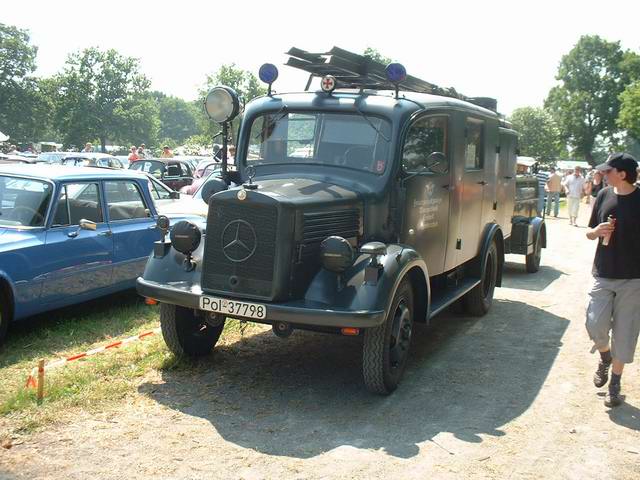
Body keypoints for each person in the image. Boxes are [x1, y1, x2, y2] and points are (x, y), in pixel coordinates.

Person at [585, 152, 640, 408]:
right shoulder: (604, 196)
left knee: (625, 333)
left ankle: (615, 383)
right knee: (595, 324)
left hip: (634, 278)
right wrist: (595, 232)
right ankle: (605, 357)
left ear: (622, 174)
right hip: (604, 273)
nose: (603, 174)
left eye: (608, 171)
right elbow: (589, 231)